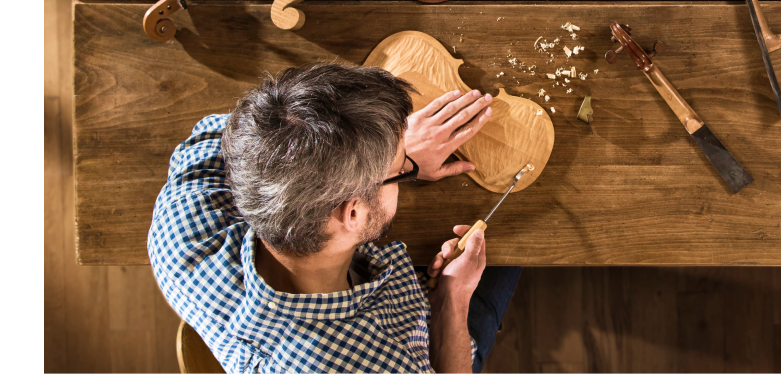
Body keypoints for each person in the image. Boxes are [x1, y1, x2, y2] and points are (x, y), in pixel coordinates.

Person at [148, 62, 521, 373]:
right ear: (353, 213)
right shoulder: (379, 364)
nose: (408, 164)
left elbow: (241, 129)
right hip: (432, 334)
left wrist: (373, 152)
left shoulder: (185, 236)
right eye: (402, 167)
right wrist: (451, 300)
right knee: (516, 230)